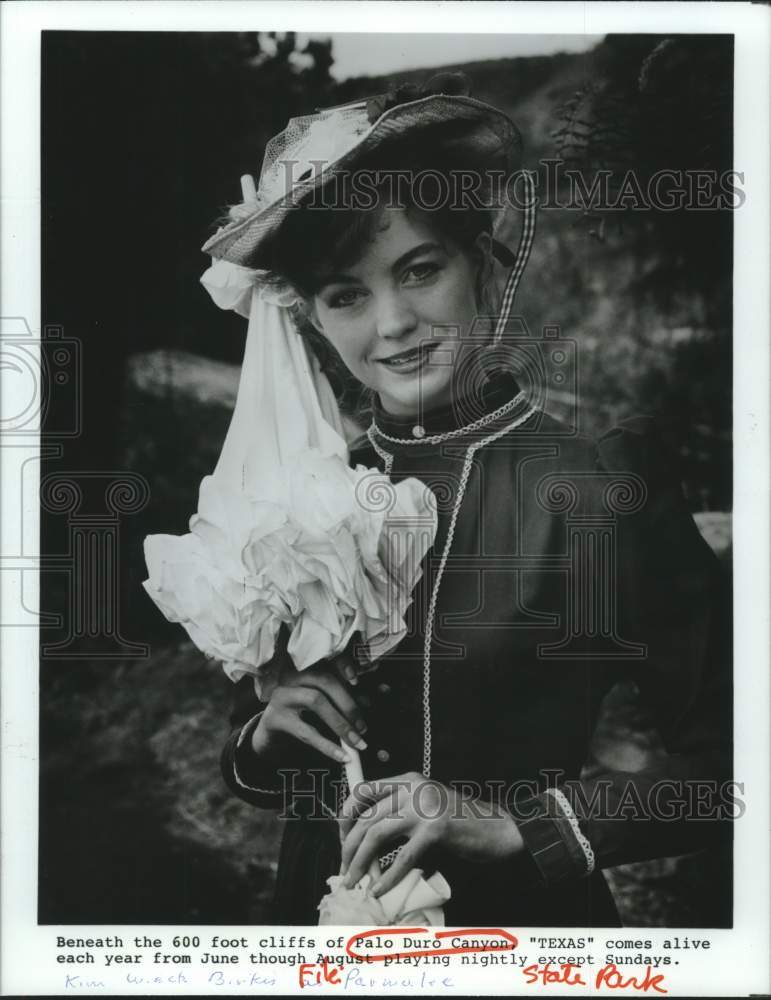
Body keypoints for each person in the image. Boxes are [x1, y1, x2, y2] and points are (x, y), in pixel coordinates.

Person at [211, 77, 732, 926]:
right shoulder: (303, 498)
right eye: (346, 294)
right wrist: (266, 734)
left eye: (420, 270)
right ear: (310, 317)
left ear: (482, 267)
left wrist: (517, 825)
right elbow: (247, 748)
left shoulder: (596, 487)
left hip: (516, 930)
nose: (393, 324)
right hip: (314, 924)